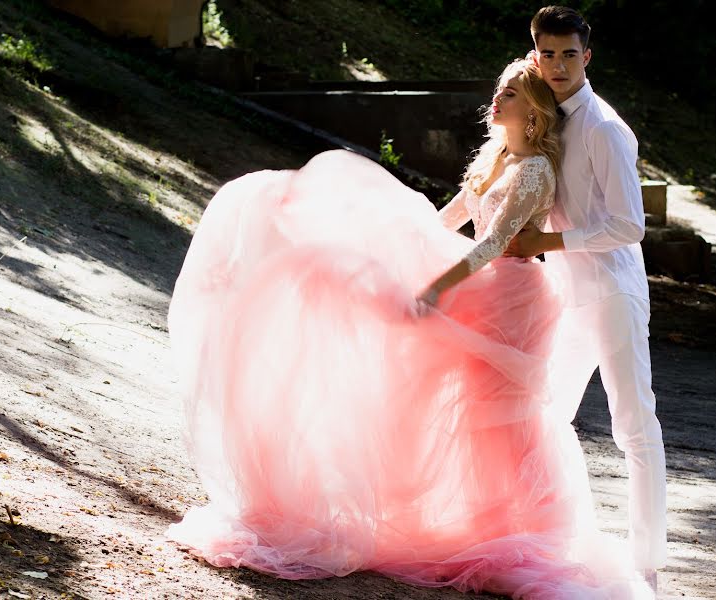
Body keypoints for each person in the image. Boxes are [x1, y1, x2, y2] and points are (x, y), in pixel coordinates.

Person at [165, 58, 653, 598]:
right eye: (500, 89)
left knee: (499, 415)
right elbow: (451, 221)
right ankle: (468, 516)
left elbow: (495, 245)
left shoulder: (536, 168)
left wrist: (439, 285)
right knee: (445, 390)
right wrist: (394, 238)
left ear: (534, 112)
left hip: (514, 296)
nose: (497, 99)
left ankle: (521, 525)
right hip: (481, 283)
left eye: (511, 94)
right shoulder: (495, 157)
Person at [504, 7, 667, 591]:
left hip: (614, 293)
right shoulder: (543, 117)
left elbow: (629, 225)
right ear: (535, 55)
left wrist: (549, 239)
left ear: (587, 57)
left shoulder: (604, 127)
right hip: (566, 293)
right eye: (547, 54)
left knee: (633, 424)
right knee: (545, 413)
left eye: (569, 54)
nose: (558, 65)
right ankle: (539, 534)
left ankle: (645, 564)